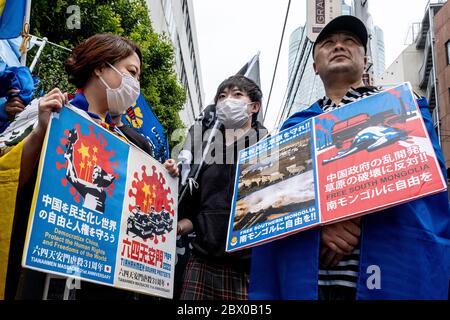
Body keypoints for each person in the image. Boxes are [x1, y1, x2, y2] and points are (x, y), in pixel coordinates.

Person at [249, 15, 450, 300]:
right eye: (328, 42)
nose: (339, 46)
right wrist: (318, 227)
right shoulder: (293, 128)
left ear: (365, 59)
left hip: (387, 270)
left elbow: (428, 191)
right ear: (315, 67)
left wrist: (357, 211)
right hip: (314, 279)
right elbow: (274, 206)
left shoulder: (404, 109)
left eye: (350, 41)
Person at [4, 34, 178, 300]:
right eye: (131, 72)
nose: (136, 84)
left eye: (138, 77)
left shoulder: (129, 144)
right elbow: (10, 179)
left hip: (103, 279)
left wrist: (161, 180)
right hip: (45, 269)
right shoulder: (47, 112)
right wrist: (41, 131)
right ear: (100, 67)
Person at [177, 75, 268, 300]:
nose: (228, 101)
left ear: (254, 106)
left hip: (246, 266)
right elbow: (197, 208)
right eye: (222, 96)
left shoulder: (269, 147)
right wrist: (178, 226)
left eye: (237, 95)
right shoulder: (204, 150)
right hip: (201, 260)